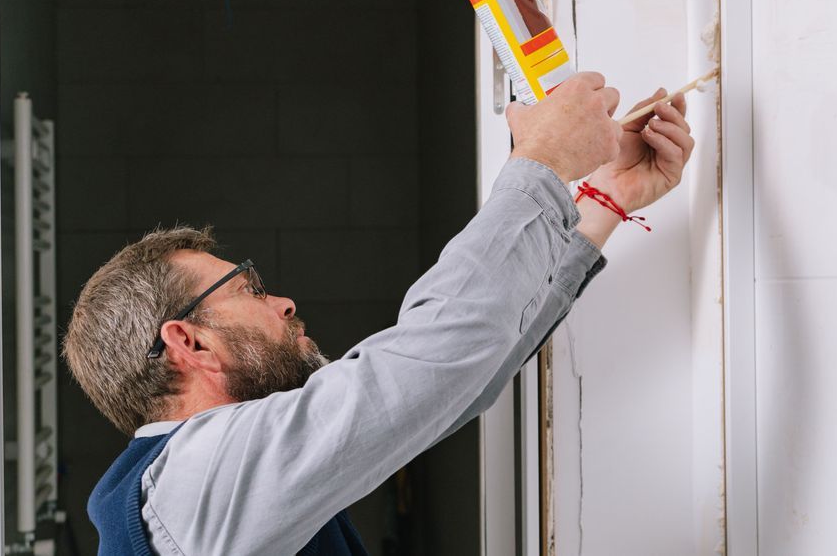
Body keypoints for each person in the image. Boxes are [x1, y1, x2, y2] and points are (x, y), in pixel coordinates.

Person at [62, 72, 695, 555]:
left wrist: (605, 199)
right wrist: (541, 165)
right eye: (248, 288)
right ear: (188, 342)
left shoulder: (209, 490)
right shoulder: (191, 481)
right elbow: (430, 361)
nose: (282, 302)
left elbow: (456, 374)